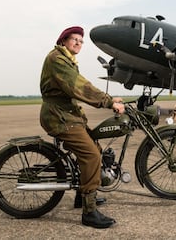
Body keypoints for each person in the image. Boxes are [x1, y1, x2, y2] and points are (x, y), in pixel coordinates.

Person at [39, 26, 124, 229]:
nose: (78, 43)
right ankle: (89, 212)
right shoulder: (57, 59)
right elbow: (78, 85)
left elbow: (77, 86)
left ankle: (81, 197)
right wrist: (108, 101)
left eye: (81, 40)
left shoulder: (67, 59)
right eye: (74, 39)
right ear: (63, 41)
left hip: (67, 115)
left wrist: (111, 99)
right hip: (58, 117)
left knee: (95, 147)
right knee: (91, 156)